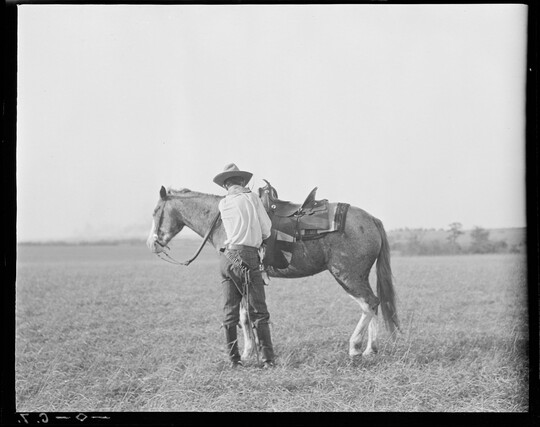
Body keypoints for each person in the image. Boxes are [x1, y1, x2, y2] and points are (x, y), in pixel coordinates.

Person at [213, 163, 275, 369]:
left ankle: (235, 360)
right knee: (258, 311)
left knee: (230, 312)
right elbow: (267, 229)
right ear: (242, 182)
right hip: (247, 256)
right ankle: (267, 360)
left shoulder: (223, 204)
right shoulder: (252, 198)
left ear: (226, 185)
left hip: (227, 257)